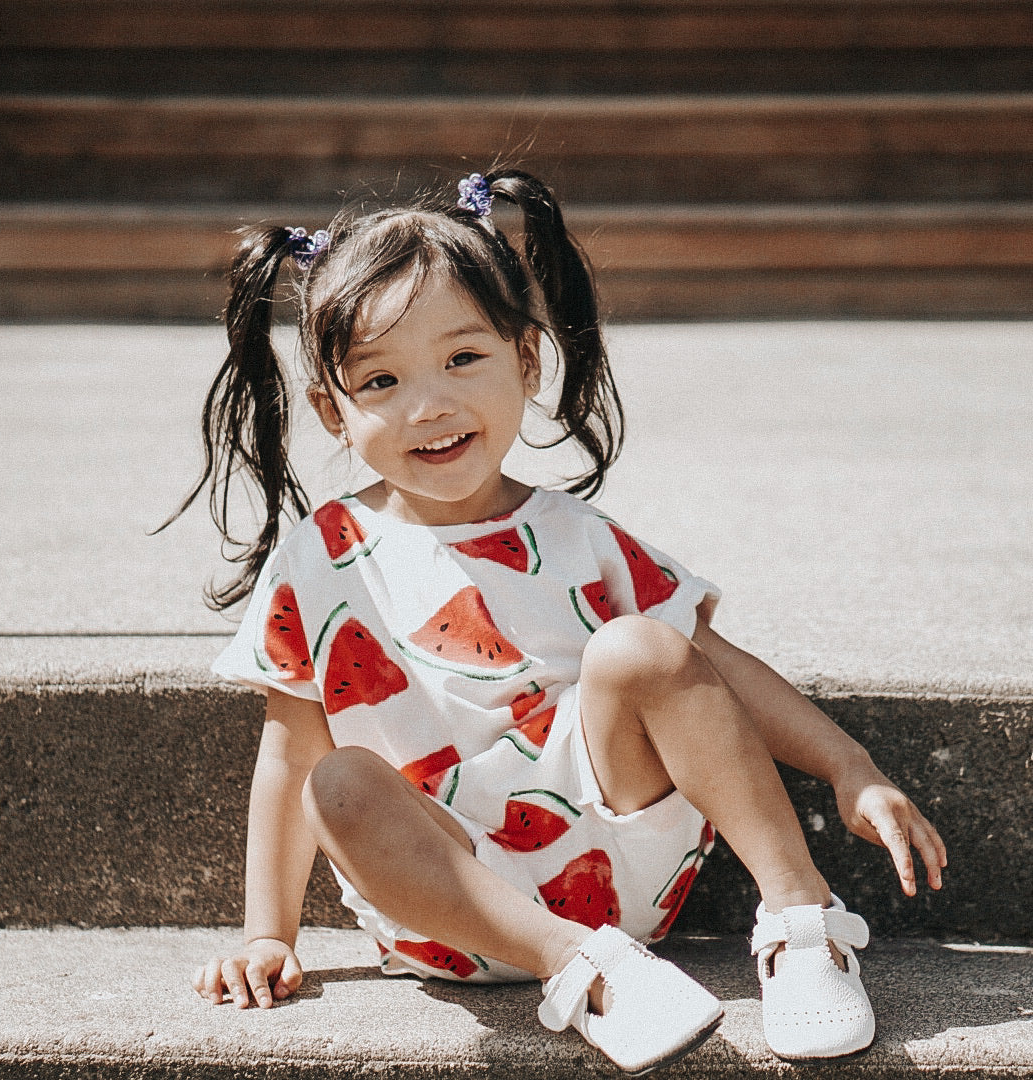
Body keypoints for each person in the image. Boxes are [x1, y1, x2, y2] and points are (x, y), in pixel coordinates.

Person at [176, 169, 946, 1072]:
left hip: (615, 859)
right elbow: (290, 751)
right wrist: (270, 935)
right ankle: (582, 973)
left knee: (648, 648)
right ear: (331, 412)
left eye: (463, 358)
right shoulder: (319, 554)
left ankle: (800, 923)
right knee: (339, 780)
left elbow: (714, 670)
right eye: (380, 379)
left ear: (528, 360)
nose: (428, 404)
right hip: (442, 909)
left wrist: (849, 768)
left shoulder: (579, 536)